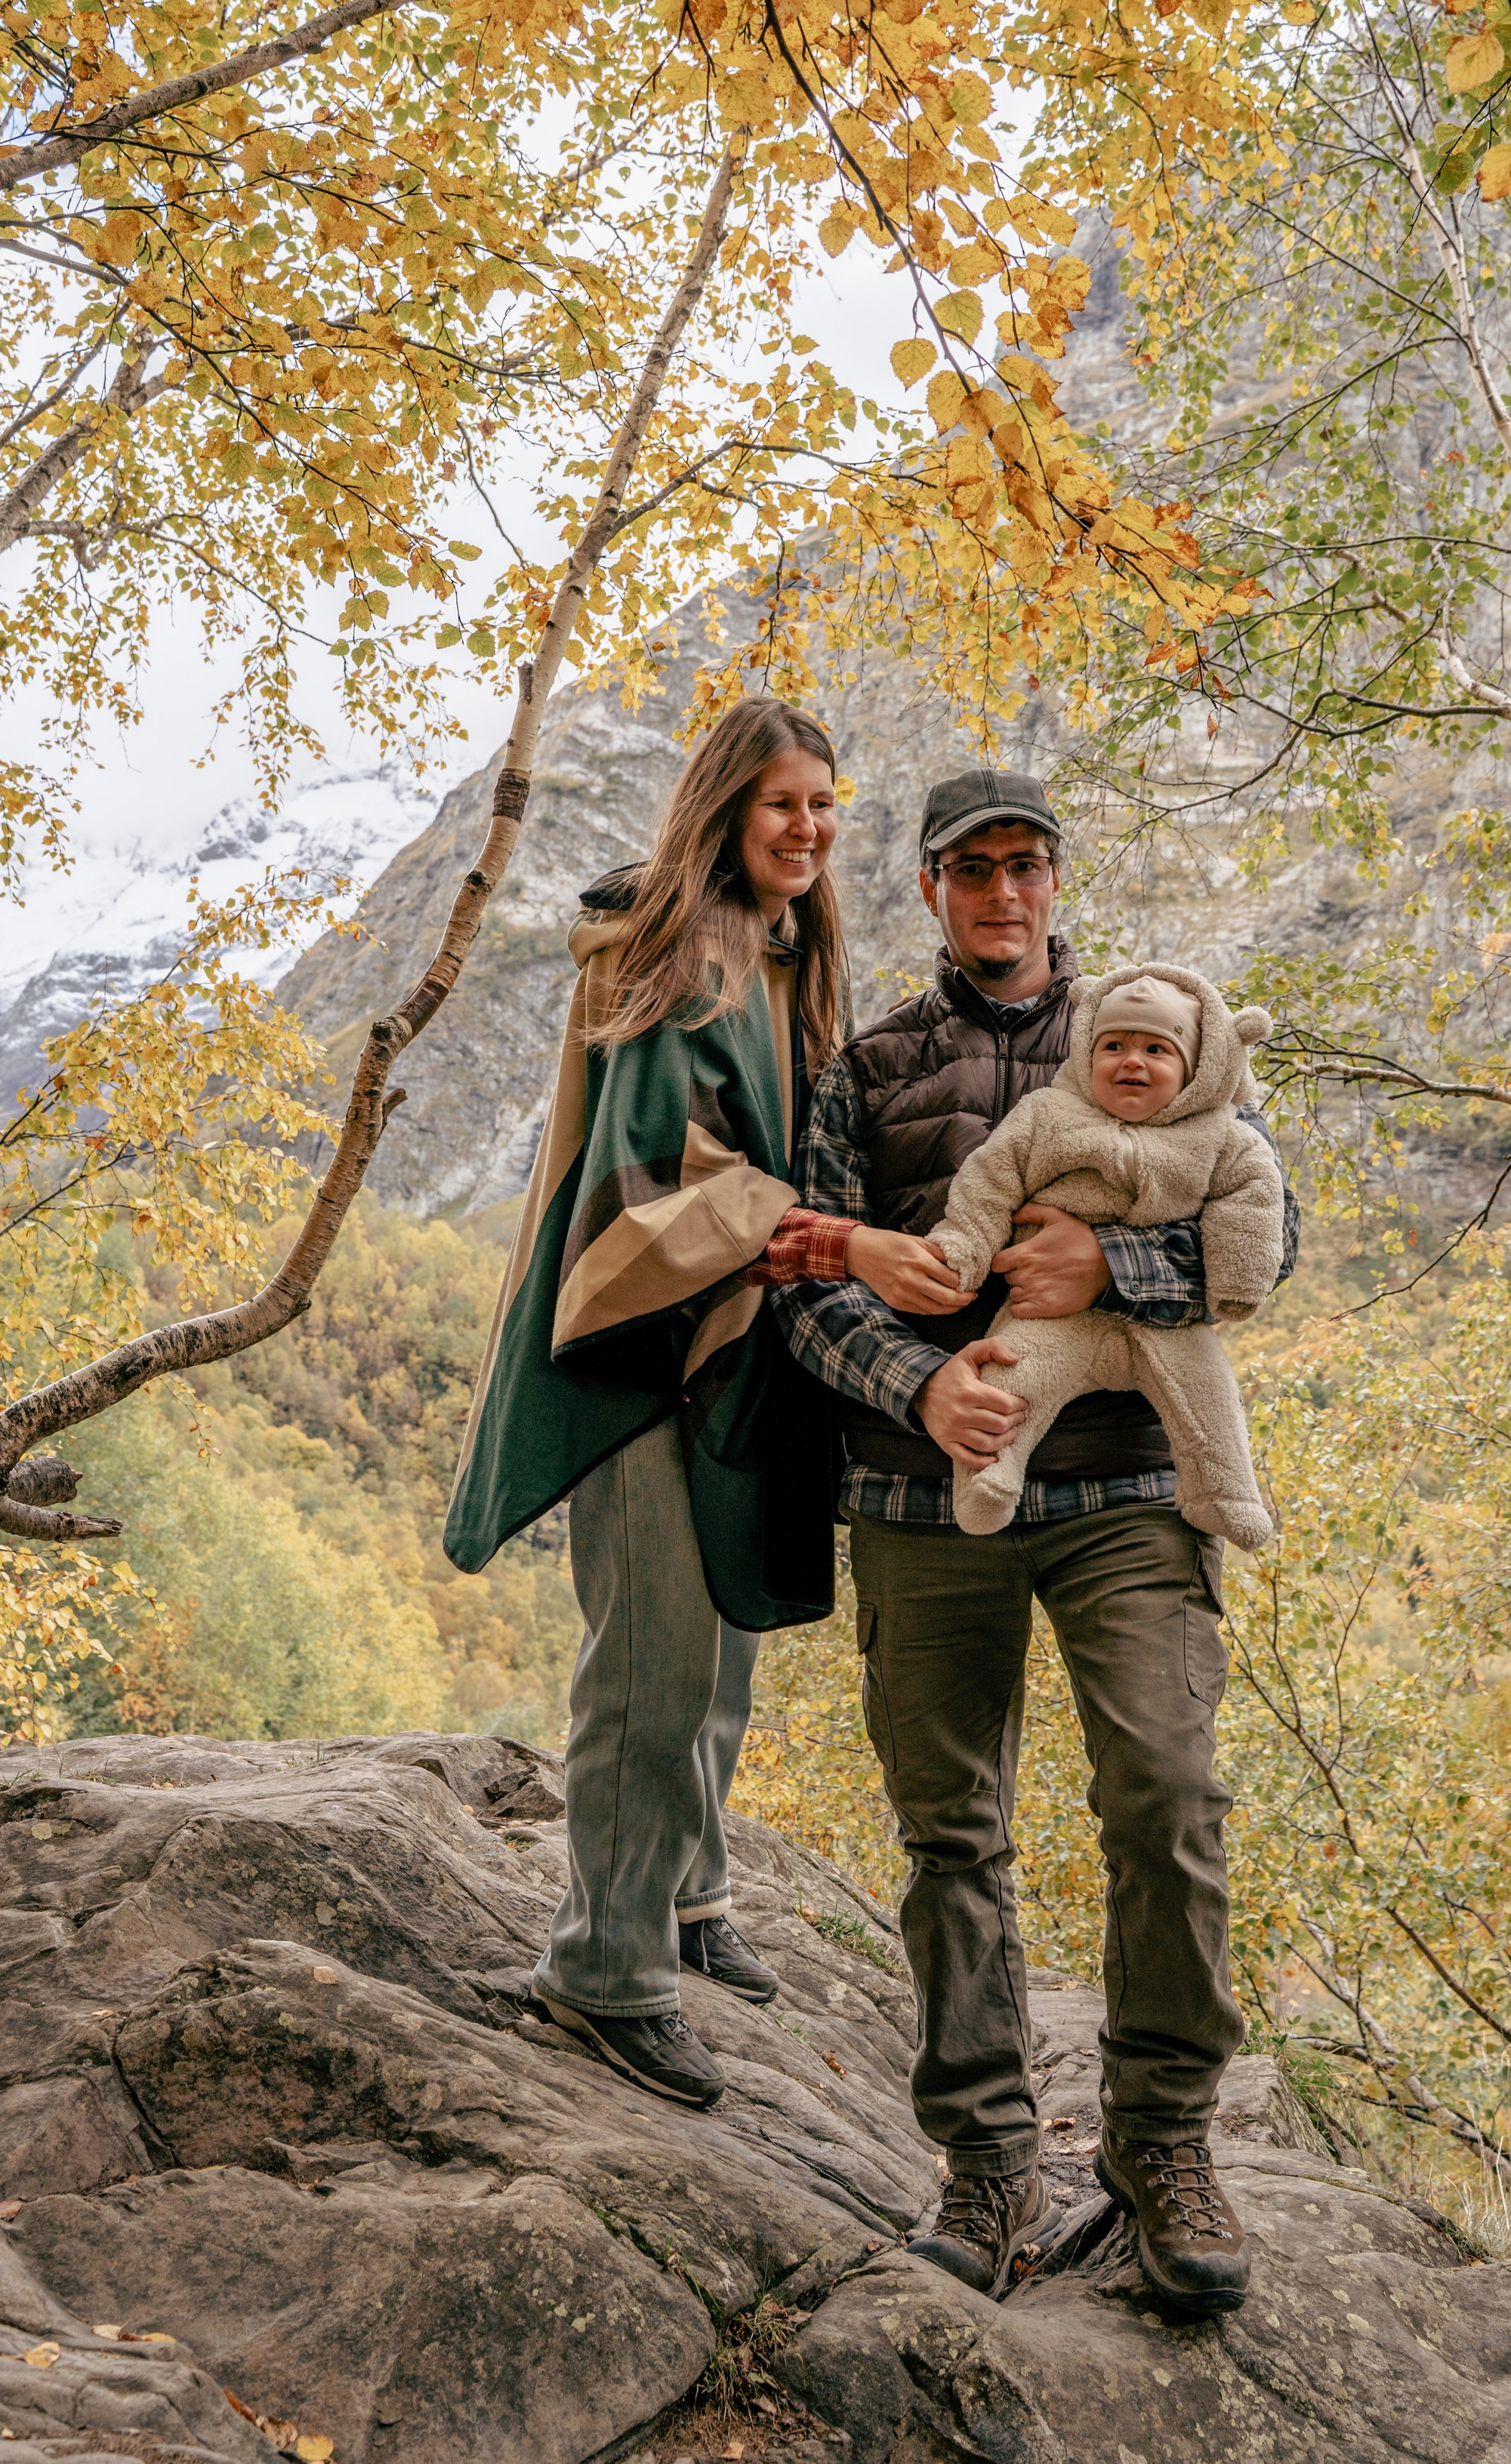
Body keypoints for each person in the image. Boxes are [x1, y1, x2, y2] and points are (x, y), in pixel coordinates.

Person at [771, 768, 1299, 2317]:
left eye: (1025, 867)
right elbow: (804, 1280)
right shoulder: (860, 1069)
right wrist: (919, 1387)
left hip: (1127, 1495)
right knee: (952, 1840)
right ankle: (989, 2164)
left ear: (1056, 882)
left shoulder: (1159, 1037)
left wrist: (1113, 1261)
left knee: (1167, 1794)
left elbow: (1264, 1234)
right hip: (921, 1504)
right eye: (970, 870)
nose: (1001, 894)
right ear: (930, 889)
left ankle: (1159, 2146)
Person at [444, 697, 956, 2110]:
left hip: (741, 1339)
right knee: (651, 1666)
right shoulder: (679, 961)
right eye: (783, 802)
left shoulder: (786, 953)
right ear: (727, 809)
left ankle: (684, 1894)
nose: (811, 827)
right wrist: (826, 1231)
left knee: (722, 1641)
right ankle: (604, 1974)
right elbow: (649, 1191)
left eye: (826, 802)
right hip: (640, 1354)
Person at [926, 963, 1281, 1547]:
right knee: (1007, 1377)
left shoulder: (1222, 1134)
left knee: (1209, 1397)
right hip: (1048, 1313)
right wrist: (964, 1244)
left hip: (1167, 1324)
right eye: (1113, 1045)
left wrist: (1236, 1279)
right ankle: (989, 1481)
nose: (1131, 1061)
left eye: (1156, 1050)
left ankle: (1223, 1495)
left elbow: (1254, 1197)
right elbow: (989, 1179)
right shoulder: (1049, 1115)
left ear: (1196, 1070)